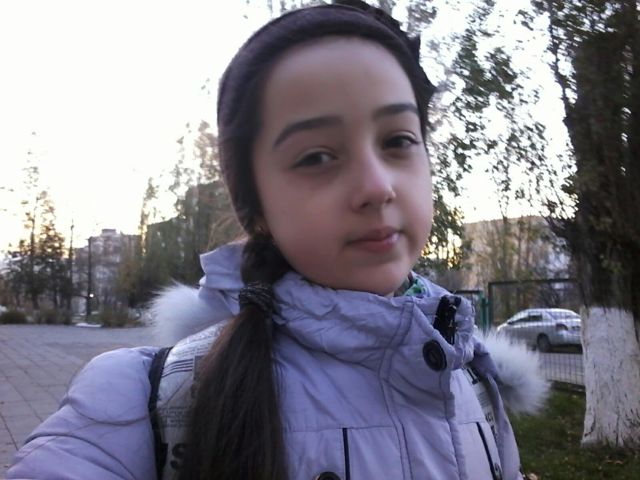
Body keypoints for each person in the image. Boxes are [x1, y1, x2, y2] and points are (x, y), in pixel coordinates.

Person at [8, 1, 549, 479]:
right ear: (257, 208)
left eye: (398, 140)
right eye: (317, 156)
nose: (376, 186)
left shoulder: (472, 379)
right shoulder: (144, 400)